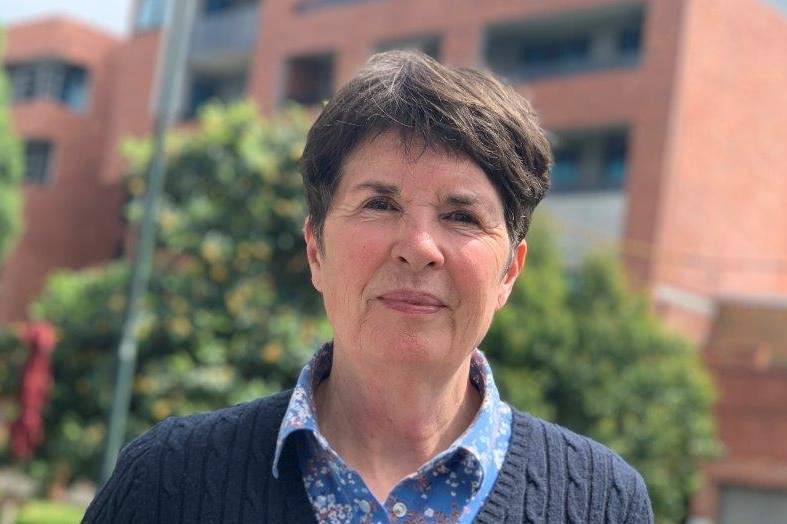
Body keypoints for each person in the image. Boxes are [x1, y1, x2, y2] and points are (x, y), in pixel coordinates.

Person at [83, 50, 653, 523]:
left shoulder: (602, 503)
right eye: (380, 204)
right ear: (316, 251)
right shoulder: (167, 483)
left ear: (509, 271)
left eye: (461, 216)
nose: (419, 246)